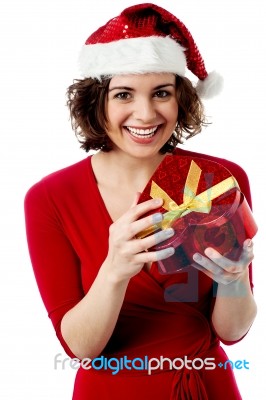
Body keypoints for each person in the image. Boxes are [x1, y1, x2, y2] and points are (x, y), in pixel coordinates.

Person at [24, 3, 257, 399]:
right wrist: (114, 269)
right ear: (97, 102)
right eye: (124, 94)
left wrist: (234, 281)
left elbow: (232, 333)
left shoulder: (218, 180)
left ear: (180, 98)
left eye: (161, 92)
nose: (145, 113)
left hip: (207, 386)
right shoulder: (50, 197)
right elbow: (80, 347)